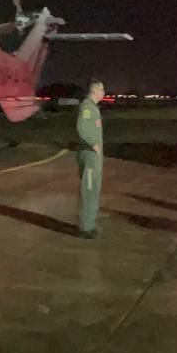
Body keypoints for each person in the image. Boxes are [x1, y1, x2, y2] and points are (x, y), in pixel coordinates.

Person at [75, 79, 106, 239]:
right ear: (94, 91)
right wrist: (93, 144)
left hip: (94, 158)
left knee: (94, 190)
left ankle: (90, 224)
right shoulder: (87, 107)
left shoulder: (94, 108)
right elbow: (82, 127)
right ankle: (86, 228)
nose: (104, 93)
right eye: (101, 90)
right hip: (89, 155)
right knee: (88, 190)